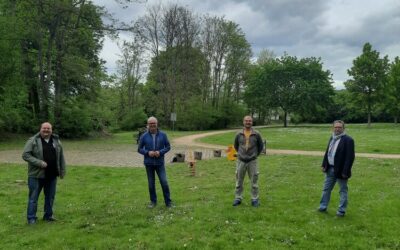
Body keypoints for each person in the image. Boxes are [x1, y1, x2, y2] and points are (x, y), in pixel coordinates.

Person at [22, 122, 66, 224]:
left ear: (51, 130)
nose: (46, 130)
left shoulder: (56, 141)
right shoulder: (33, 140)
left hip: (52, 175)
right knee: (33, 198)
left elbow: (61, 157)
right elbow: (25, 155)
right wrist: (39, 163)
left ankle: (48, 216)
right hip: (36, 175)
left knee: (50, 197)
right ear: (40, 129)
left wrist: (62, 170)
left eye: (48, 128)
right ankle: (31, 218)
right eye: (44, 128)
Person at [318, 120, 355, 217]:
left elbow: (349, 157)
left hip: (341, 171)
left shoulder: (348, 140)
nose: (337, 129)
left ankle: (341, 211)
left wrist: (345, 171)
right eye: (336, 127)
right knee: (326, 189)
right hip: (330, 169)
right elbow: (327, 152)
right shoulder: (332, 138)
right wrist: (324, 164)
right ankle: (322, 207)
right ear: (333, 128)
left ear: (343, 128)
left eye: (339, 127)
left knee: (342, 190)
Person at [138, 117, 173, 208]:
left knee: (164, 182)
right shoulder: (144, 136)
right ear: (148, 125)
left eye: (154, 123)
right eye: (150, 124)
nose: (152, 125)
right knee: (151, 183)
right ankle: (153, 202)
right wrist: (147, 152)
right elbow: (139, 149)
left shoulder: (163, 135)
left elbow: (168, 147)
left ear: (157, 124)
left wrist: (160, 152)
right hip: (148, 163)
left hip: (160, 163)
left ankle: (168, 202)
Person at [232, 115, 264, 207]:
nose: (248, 122)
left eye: (249, 121)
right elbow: (236, 146)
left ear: (252, 122)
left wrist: (254, 155)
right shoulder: (238, 134)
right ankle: (238, 198)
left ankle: (254, 199)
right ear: (243, 122)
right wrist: (241, 154)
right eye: (246, 121)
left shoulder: (256, 134)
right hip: (241, 161)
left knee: (254, 181)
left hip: (252, 161)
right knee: (239, 180)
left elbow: (261, 146)